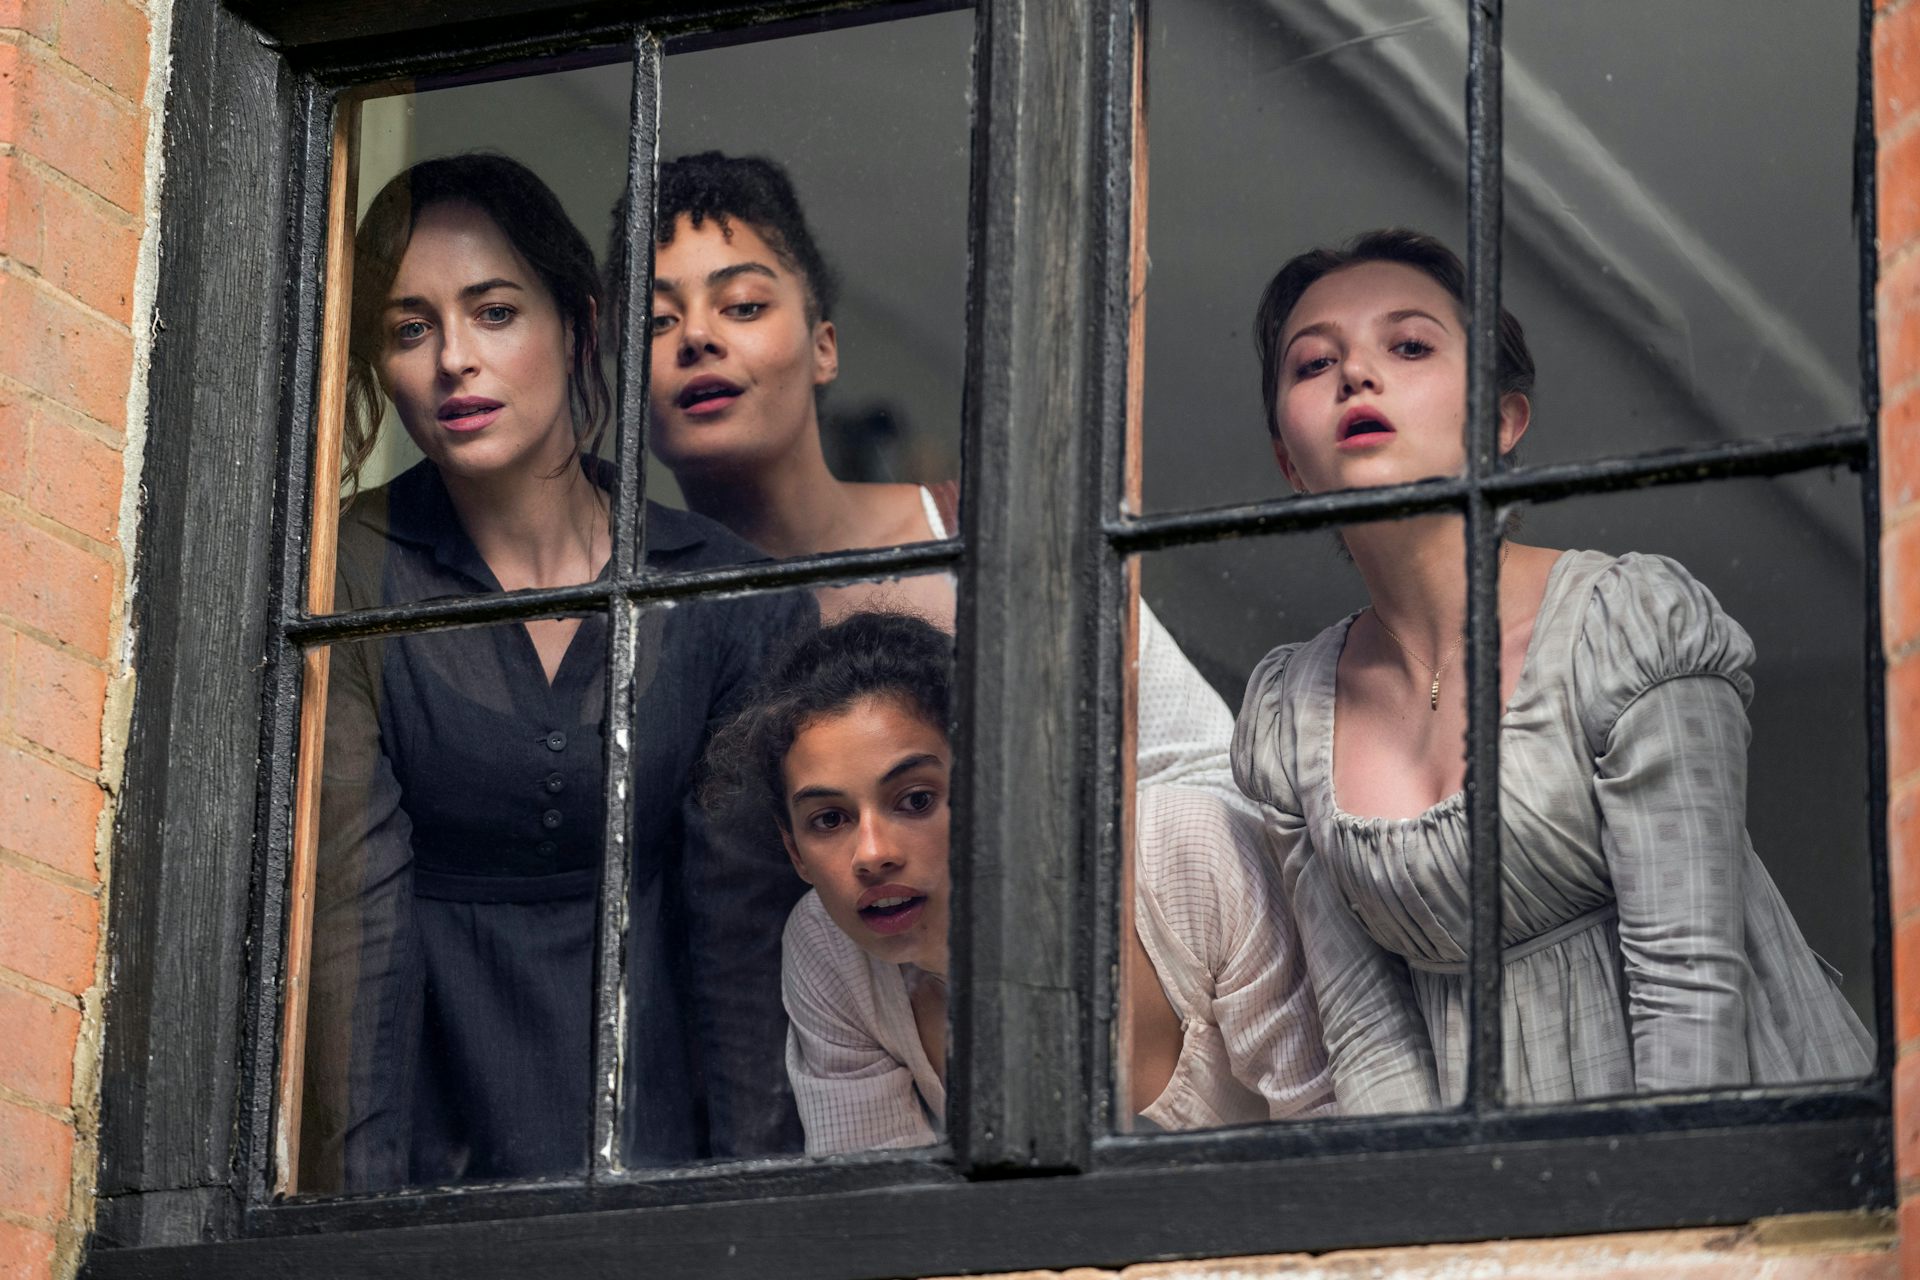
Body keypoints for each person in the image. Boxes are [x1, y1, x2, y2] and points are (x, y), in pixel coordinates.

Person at [1231, 228, 1874, 1114]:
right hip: (1505, 1201)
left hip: (1742, 1164)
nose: (1357, 376)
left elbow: (1693, 998)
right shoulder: (1285, 719)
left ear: (1500, 423)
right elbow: (1369, 1043)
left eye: (1409, 345)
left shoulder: (1628, 625)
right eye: (1313, 364)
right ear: (1288, 464)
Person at [306, 153, 812, 1192]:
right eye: (409, 330)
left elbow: (742, 940)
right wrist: (348, 1225)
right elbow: (352, 928)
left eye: (493, 312)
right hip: (425, 1164)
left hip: (662, 1155)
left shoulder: (727, 593)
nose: (454, 359)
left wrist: (751, 1213)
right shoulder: (345, 571)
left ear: (578, 324)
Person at [640, 150, 1243, 801]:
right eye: (657, 321)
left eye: (744, 305)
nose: (696, 336)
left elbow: (1201, 769)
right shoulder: (619, 616)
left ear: (823, 349)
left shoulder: (986, 537)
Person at [703, 612, 1333, 1153]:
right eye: (830, 820)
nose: (872, 854)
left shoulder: (1187, 853)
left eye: (916, 799)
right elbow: (883, 1223)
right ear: (796, 853)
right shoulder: (827, 951)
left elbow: (1334, 1136)